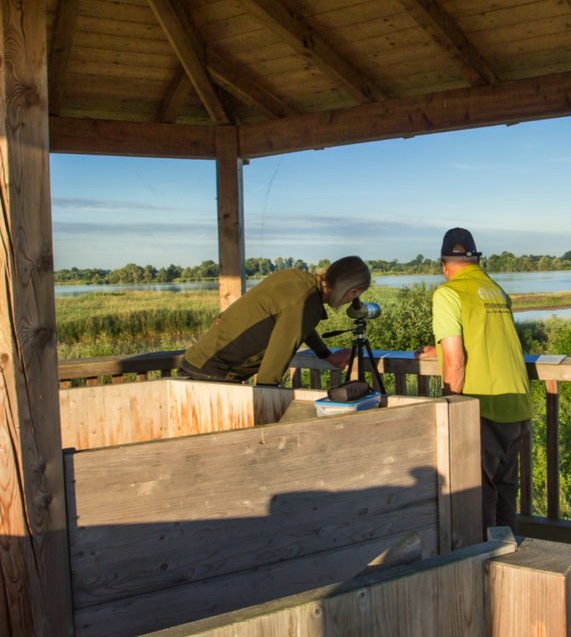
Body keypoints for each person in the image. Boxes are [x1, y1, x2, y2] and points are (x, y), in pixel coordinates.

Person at [415, 228, 534, 534]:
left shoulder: (448, 293)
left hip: (483, 407)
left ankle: (482, 565)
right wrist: (437, 348)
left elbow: (456, 361)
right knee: (506, 490)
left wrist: (451, 407)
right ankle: (509, 558)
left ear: (443, 265)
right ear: (478, 260)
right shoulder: (495, 290)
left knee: (478, 496)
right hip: (517, 403)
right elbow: (485, 339)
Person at [179, 256, 370, 385]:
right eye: (354, 296)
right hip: (212, 376)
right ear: (350, 289)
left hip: (196, 363)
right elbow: (272, 367)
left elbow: (298, 323)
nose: (351, 302)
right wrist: (269, 407)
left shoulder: (295, 278)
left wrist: (327, 355)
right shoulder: (306, 303)